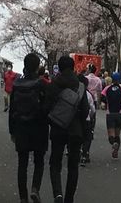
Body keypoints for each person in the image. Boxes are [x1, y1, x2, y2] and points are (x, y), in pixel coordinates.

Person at [46, 56, 90, 203]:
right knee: (73, 166)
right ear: (73, 67)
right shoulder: (80, 85)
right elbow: (85, 111)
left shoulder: (54, 84)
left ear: (59, 66)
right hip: (75, 130)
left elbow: (47, 107)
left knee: (55, 163)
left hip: (58, 128)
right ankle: (69, 199)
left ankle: (58, 194)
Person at [8, 52, 49, 203]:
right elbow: (48, 107)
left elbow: (12, 109)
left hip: (21, 127)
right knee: (39, 161)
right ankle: (35, 189)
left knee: (22, 164)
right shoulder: (42, 84)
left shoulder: (17, 84)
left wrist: (12, 130)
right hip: (39, 127)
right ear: (38, 66)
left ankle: (23, 197)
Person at [101, 72, 121, 158]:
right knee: (117, 134)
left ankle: (114, 143)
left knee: (111, 134)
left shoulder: (107, 88)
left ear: (112, 79)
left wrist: (106, 104)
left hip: (110, 114)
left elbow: (102, 97)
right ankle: (116, 151)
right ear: (120, 79)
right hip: (120, 114)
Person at [81, 64, 102, 164]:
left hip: (84, 97)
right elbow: (99, 92)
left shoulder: (86, 78)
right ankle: (91, 131)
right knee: (91, 117)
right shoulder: (98, 80)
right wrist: (98, 103)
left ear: (89, 69)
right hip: (93, 99)